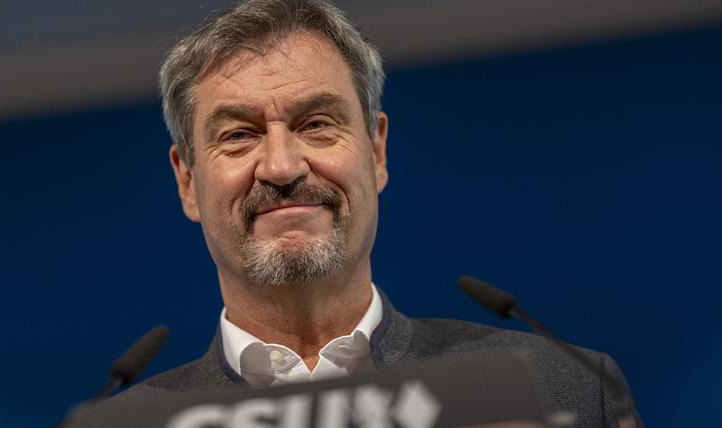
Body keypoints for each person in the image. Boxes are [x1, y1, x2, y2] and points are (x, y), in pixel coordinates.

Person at [113, 0, 642, 426]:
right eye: (238, 135)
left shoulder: (554, 388)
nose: (280, 166)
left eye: (316, 123)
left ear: (377, 151)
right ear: (187, 181)